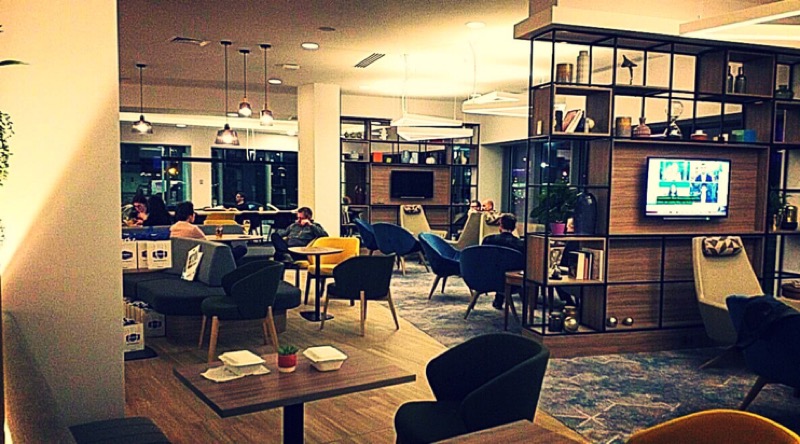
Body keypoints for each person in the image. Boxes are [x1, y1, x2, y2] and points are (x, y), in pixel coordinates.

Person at [482, 213, 524, 310]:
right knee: (506, 268)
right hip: (512, 281)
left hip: (487, 278)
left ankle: (499, 299)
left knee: (498, 266)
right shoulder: (521, 244)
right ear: (514, 228)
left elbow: (482, 259)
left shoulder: (488, 240)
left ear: (500, 225)